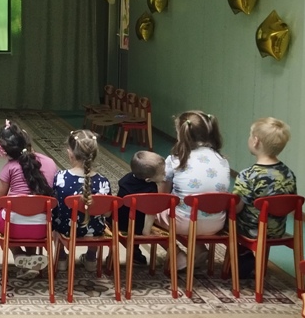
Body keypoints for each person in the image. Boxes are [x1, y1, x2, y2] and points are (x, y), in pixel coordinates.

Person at [156, 111, 231, 270]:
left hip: (184, 223)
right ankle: (198, 249)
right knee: (194, 208)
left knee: (147, 212)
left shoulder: (175, 159)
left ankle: (177, 255)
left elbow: (162, 198)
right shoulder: (222, 159)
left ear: (181, 133)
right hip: (216, 223)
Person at [233, 117, 297, 278]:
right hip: (277, 230)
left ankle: (243, 256)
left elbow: (237, 208)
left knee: (227, 220)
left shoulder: (248, 175)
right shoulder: (289, 174)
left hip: (252, 231)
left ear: (255, 141)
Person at [0, 120, 57, 272]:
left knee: (6, 218)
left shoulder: (10, 167)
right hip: (43, 227)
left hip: (13, 227)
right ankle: (31, 259)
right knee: (32, 212)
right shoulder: (50, 163)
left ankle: (18, 254)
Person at [52, 129, 111, 272]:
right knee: (98, 222)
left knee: (55, 219)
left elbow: (55, 206)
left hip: (67, 229)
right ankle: (91, 258)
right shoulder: (103, 181)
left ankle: (61, 258)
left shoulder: (60, 177)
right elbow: (108, 214)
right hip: (95, 230)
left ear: (70, 153)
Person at [116, 150, 166, 265]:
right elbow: (150, 212)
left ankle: (115, 254)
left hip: (119, 221)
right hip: (137, 225)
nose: (165, 174)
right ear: (148, 179)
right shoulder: (151, 188)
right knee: (139, 221)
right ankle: (135, 252)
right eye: (162, 173)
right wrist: (146, 232)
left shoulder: (126, 179)